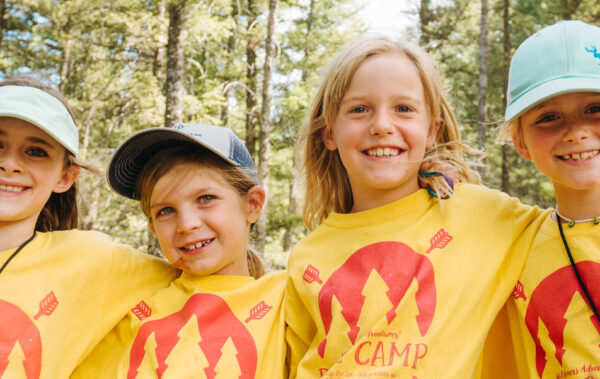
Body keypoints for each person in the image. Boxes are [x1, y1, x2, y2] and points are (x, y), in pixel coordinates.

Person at [284, 34, 551, 378]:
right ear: (329, 133)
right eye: (359, 109)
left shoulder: (484, 217)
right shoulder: (306, 257)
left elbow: (578, 231)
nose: (382, 125)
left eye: (404, 109)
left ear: (431, 131)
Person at [72, 123, 287, 378]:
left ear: (252, 204)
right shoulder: (132, 308)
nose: (186, 224)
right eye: (165, 211)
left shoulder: (285, 301)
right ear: (152, 226)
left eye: (205, 198)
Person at [0, 76, 177, 378]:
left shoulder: (93, 261)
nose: (10, 163)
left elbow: (205, 277)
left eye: (36, 151)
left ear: (65, 178)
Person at [480, 20, 600, 379]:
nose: (576, 132)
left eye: (595, 109)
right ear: (520, 143)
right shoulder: (513, 241)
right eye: (548, 117)